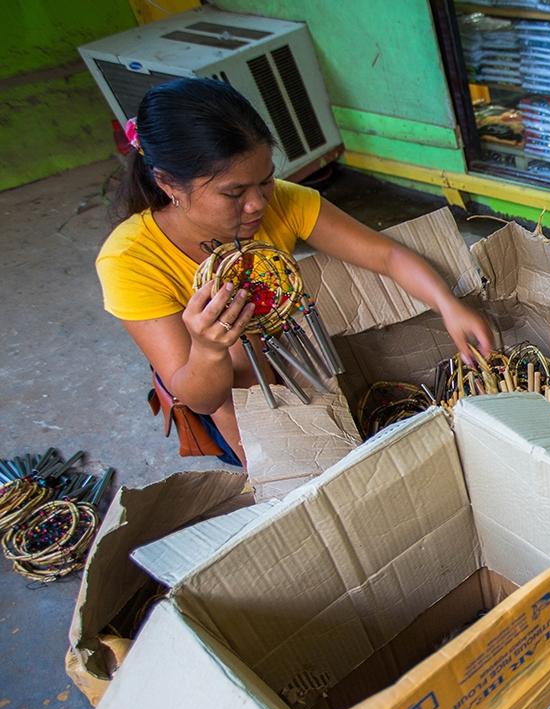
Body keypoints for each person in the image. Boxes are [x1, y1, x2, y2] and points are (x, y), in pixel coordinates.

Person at [96, 78, 494, 466]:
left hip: (280, 352)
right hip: (219, 390)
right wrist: (208, 347)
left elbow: (387, 256)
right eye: (234, 193)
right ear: (168, 184)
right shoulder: (129, 261)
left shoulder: (282, 202)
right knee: (239, 355)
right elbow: (202, 399)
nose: (256, 205)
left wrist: (447, 303)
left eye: (266, 182)